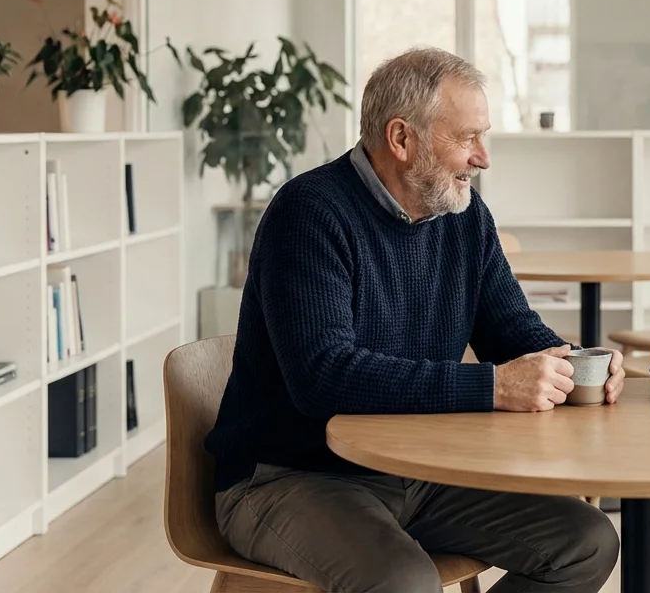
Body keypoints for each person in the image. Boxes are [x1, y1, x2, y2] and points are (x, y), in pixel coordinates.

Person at [205, 46, 624, 593]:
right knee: (402, 581)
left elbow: (512, 330)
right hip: (288, 476)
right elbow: (323, 377)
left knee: (585, 542)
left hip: (419, 469)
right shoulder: (308, 212)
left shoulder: (463, 215)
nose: (483, 157)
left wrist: (577, 363)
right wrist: (494, 385)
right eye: (467, 137)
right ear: (402, 139)